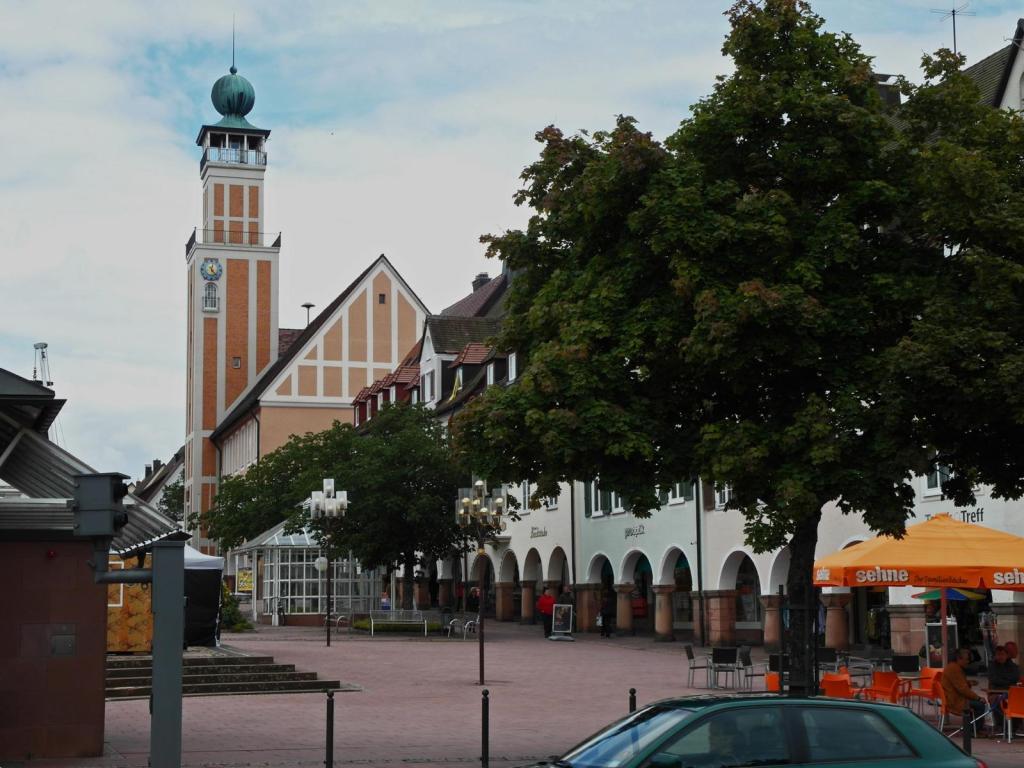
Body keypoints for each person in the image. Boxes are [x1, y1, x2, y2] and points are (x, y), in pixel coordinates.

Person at [942, 647, 988, 734]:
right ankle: (974, 731)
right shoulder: (954, 669)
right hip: (955, 700)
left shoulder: (954, 667)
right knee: (980, 705)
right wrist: (978, 698)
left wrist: (968, 683)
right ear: (959, 659)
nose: (968, 662)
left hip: (956, 698)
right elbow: (963, 689)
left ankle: (973, 728)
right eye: (966, 659)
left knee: (977, 703)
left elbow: (959, 684)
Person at [987, 645, 1022, 736]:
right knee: (997, 701)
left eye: (1002, 654)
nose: (1000, 657)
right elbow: (994, 679)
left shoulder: (1013, 666)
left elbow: (1014, 678)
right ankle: (1001, 726)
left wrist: (1002, 680)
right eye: (998, 654)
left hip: (1011, 693)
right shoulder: (992, 666)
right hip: (996, 692)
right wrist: (1006, 681)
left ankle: (1015, 727)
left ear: (1007, 655)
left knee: (1018, 702)